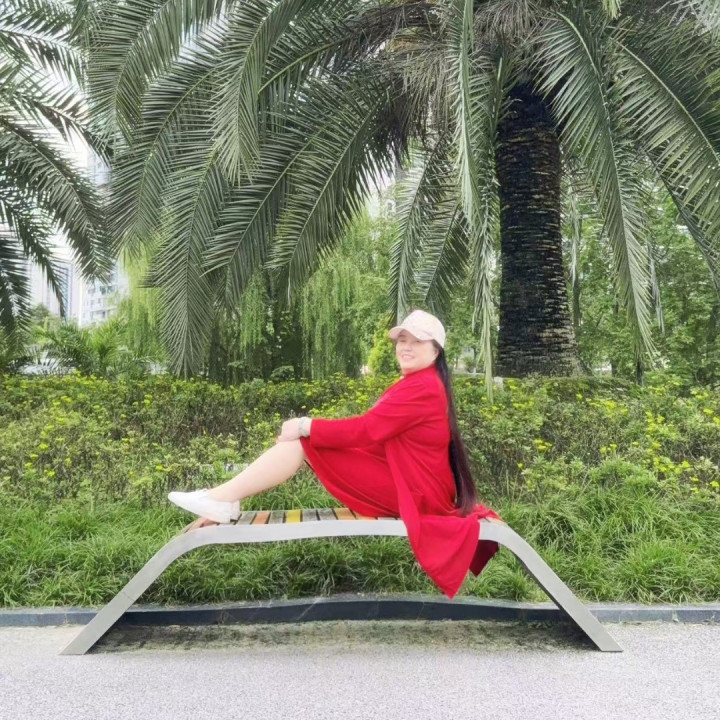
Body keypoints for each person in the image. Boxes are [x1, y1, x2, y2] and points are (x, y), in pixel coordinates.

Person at [168, 309, 504, 599]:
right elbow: (374, 439)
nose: (405, 346)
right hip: (414, 486)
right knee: (306, 442)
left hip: (414, 494)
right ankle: (223, 499)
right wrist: (319, 438)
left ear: (436, 350)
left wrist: (306, 426)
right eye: (402, 339)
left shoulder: (423, 387)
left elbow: (367, 430)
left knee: (302, 442)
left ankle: (222, 499)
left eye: (416, 341)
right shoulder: (420, 383)